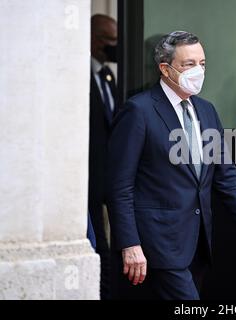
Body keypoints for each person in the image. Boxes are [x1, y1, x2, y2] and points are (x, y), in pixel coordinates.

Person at [106, 31, 236, 300]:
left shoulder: (206, 111)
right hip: (156, 245)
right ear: (165, 69)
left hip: (197, 245)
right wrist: (129, 243)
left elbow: (226, 176)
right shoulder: (139, 110)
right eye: (189, 64)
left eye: (202, 64)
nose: (198, 71)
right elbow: (119, 186)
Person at [89, 14, 119, 300]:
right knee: (98, 243)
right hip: (89, 181)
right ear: (93, 39)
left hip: (109, 179)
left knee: (112, 243)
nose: (114, 48)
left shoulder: (108, 78)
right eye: (109, 41)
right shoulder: (80, 78)